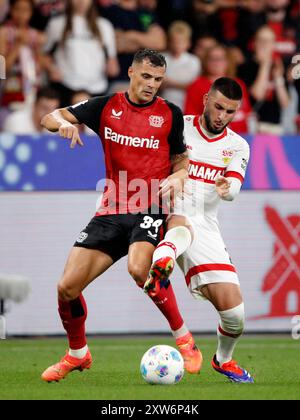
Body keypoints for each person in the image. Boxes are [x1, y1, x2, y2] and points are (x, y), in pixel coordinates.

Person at [40, 49, 202, 383]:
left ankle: (185, 338)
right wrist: (61, 126)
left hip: (150, 204)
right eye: (146, 77)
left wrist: (179, 175)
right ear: (130, 72)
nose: (152, 85)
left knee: (139, 268)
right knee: (66, 287)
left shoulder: (169, 114)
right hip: (111, 209)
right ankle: (77, 354)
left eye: (158, 79)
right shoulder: (104, 107)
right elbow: (50, 117)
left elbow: (182, 160)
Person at [144, 77, 254, 383]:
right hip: (167, 210)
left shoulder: (237, 145)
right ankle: (161, 263)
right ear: (206, 99)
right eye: (218, 107)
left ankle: (224, 360)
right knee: (178, 224)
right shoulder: (178, 125)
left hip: (205, 224)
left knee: (235, 316)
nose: (221, 116)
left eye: (230, 112)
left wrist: (227, 186)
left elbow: (233, 187)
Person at [43, 0, 119, 107]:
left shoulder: (104, 25)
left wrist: (111, 67)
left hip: (96, 89)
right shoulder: (57, 24)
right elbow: (44, 55)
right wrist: (51, 68)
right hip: (66, 87)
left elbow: (113, 64)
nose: (81, 2)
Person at [185, 44, 252, 134]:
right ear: (206, 62)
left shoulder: (239, 84)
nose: (216, 62)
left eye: (220, 59)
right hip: (208, 137)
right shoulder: (197, 85)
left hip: (239, 137)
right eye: (212, 59)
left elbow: (246, 112)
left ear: (227, 61)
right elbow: (190, 115)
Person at [162, 21, 200, 110]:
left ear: (188, 43)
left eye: (181, 42)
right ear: (169, 42)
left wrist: (170, 83)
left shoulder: (193, 61)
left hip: (186, 106)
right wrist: (183, 85)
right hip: (164, 104)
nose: (177, 45)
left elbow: (195, 87)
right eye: (174, 41)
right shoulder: (162, 58)